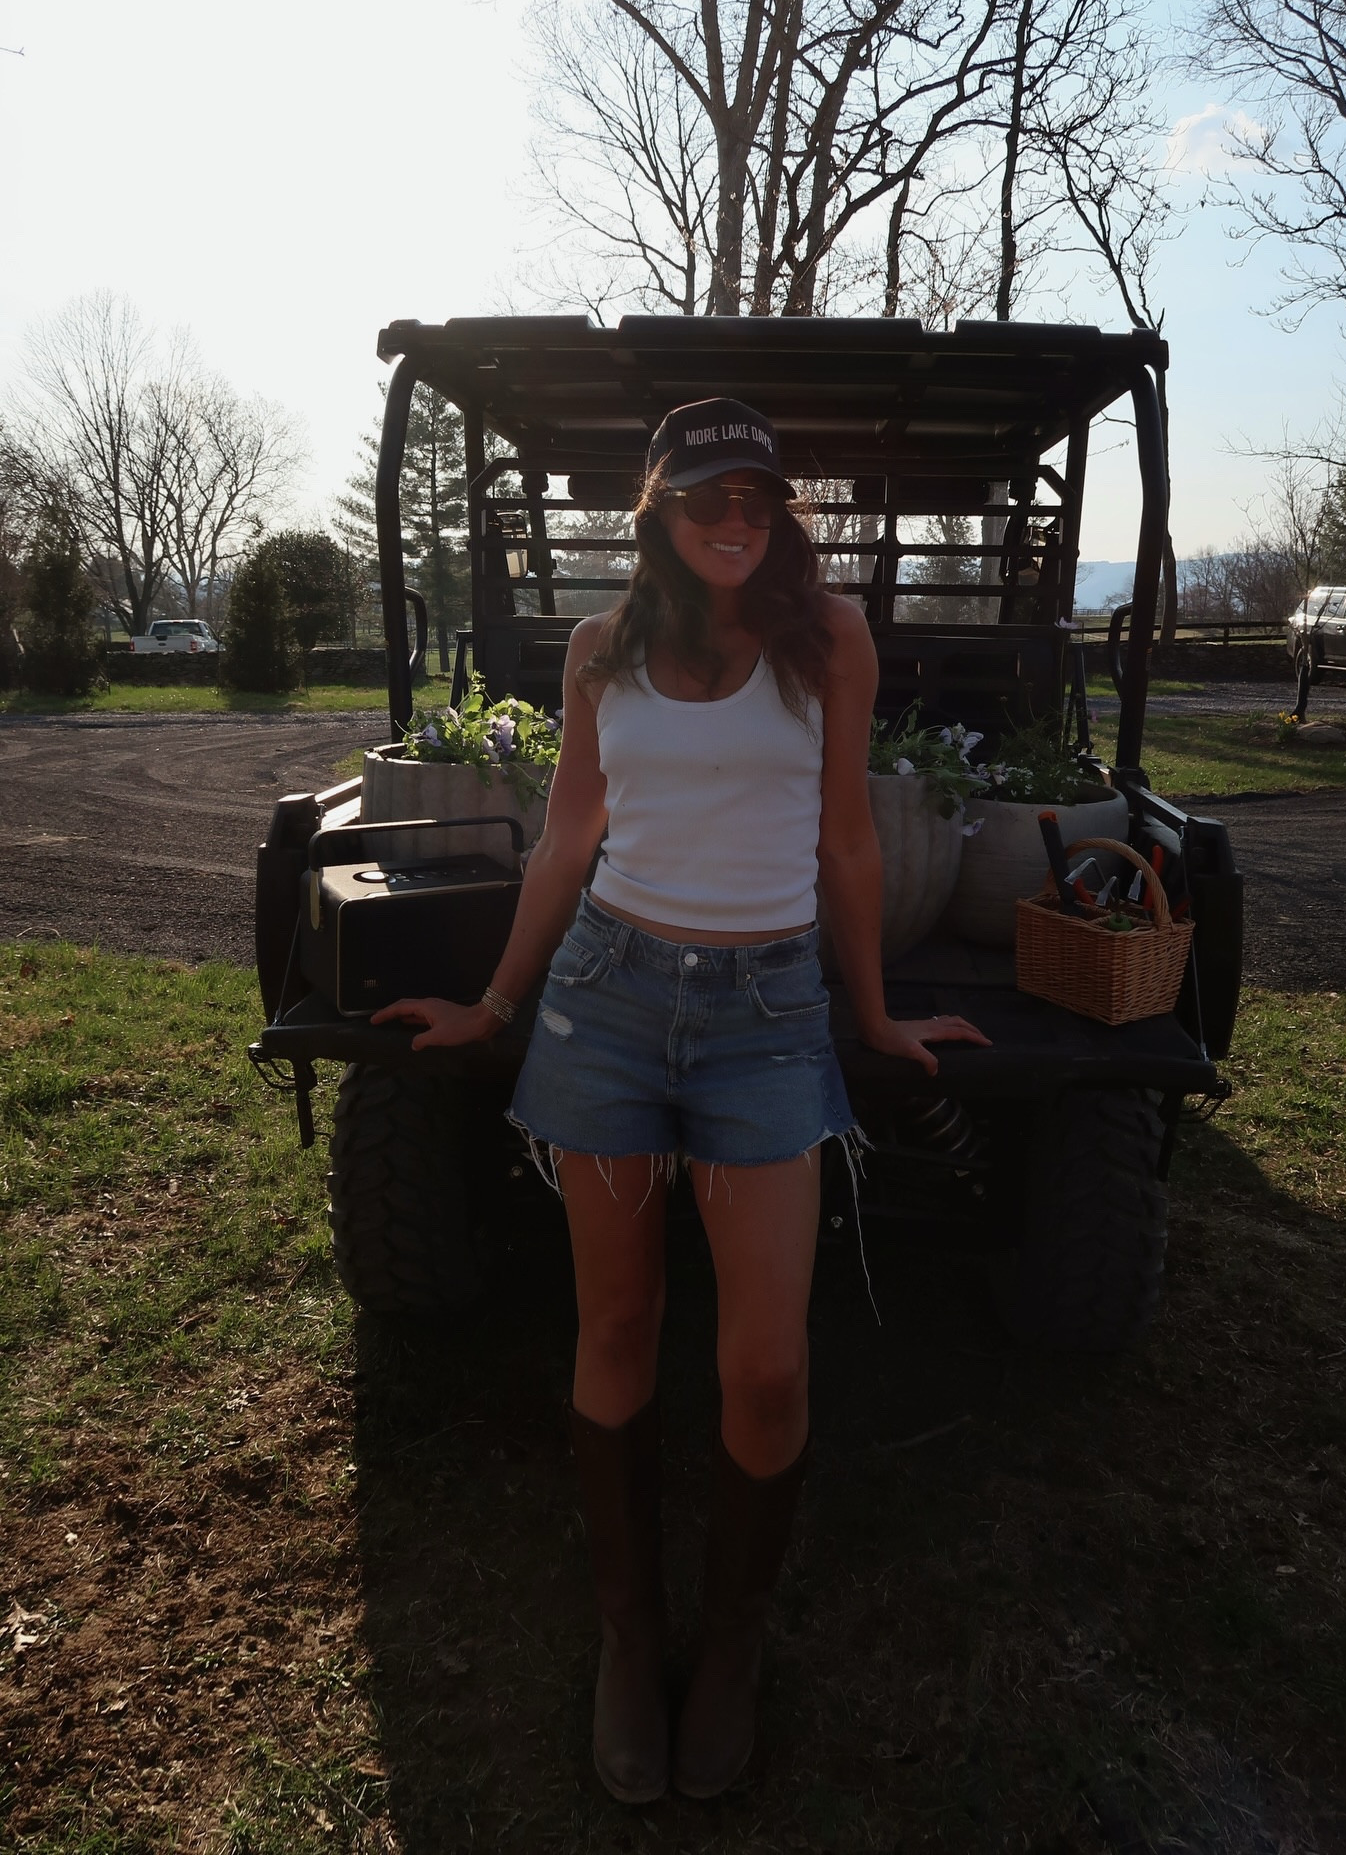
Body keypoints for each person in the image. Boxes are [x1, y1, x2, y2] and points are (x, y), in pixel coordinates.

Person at [373, 398, 988, 1803]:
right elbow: (571, 835)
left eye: (759, 500)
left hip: (769, 1019)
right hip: (608, 1003)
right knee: (622, 1322)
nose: (737, 519)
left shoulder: (826, 640)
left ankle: (730, 1647)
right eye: (710, 495)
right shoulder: (604, 649)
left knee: (767, 1362)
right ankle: (627, 1638)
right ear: (656, 508)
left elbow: (843, 837)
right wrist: (499, 1001)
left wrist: (874, 1013)